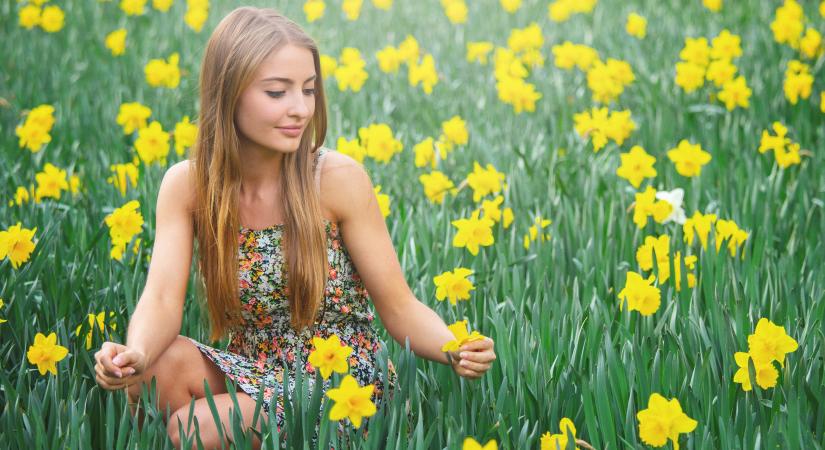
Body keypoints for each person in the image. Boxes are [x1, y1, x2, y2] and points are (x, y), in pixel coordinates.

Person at [92, 6, 497, 449]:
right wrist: (135, 354)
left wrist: (453, 346)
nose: (300, 109)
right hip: (252, 368)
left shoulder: (337, 181)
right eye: (277, 93)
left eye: (308, 90)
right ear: (228, 94)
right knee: (150, 371)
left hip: (342, 383)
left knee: (197, 428)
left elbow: (398, 307)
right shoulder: (188, 186)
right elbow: (163, 297)